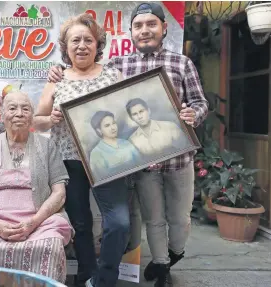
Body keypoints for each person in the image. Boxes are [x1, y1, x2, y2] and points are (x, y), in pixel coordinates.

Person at [47, 3, 209, 287]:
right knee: (151, 220)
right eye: (139, 26)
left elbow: (199, 103)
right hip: (136, 162)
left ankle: (171, 255)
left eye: (151, 25)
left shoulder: (180, 63)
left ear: (163, 28)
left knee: (179, 219)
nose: (145, 30)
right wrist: (57, 72)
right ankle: (155, 267)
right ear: (131, 32)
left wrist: (193, 114)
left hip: (175, 159)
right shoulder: (118, 65)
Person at [33, 13, 130, 287]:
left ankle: (104, 279)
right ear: (66, 46)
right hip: (68, 163)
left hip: (108, 160)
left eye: (88, 40)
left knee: (119, 223)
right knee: (81, 225)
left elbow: (129, 118)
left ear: (98, 44)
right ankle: (87, 275)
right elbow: (37, 122)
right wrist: (49, 118)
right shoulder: (57, 79)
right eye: (75, 40)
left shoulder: (113, 75)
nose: (82, 45)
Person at [0, 91, 73, 283]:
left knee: (50, 247)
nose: (19, 113)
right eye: (12, 108)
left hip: (39, 222)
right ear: (2, 115)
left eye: (26, 109)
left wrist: (33, 223)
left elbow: (59, 193)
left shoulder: (47, 147)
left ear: (32, 116)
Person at [89, 110, 141, 180]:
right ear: (99, 130)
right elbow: (101, 178)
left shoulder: (126, 143)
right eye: (107, 125)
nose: (113, 128)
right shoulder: (96, 153)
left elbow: (141, 163)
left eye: (114, 123)